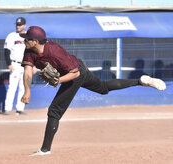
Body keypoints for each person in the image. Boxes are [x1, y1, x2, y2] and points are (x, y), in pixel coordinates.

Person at [20, 26, 166, 156]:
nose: (24, 40)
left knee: (55, 110)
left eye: (27, 39)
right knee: (103, 88)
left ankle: (45, 150)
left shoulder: (54, 52)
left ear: (36, 41)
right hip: (76, 69)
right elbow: (27, 71)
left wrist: (58, 81)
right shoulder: (29, 51)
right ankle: (140, 81)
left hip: (75, 73)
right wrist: (27, 91)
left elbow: (75, 74)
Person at [3, 17, 27, 115]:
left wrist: (33, 66)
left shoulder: (28, 37)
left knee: (23, 88)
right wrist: (9, 64)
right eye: (17, 24)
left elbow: (33, 52)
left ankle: (20, 108)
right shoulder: (12, 36)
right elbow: (6, 51)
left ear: (24, 25)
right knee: (12, 87)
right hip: (15, 64)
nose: (18, 26)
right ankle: (7, 108)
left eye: (20, 24)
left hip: (26, 65)